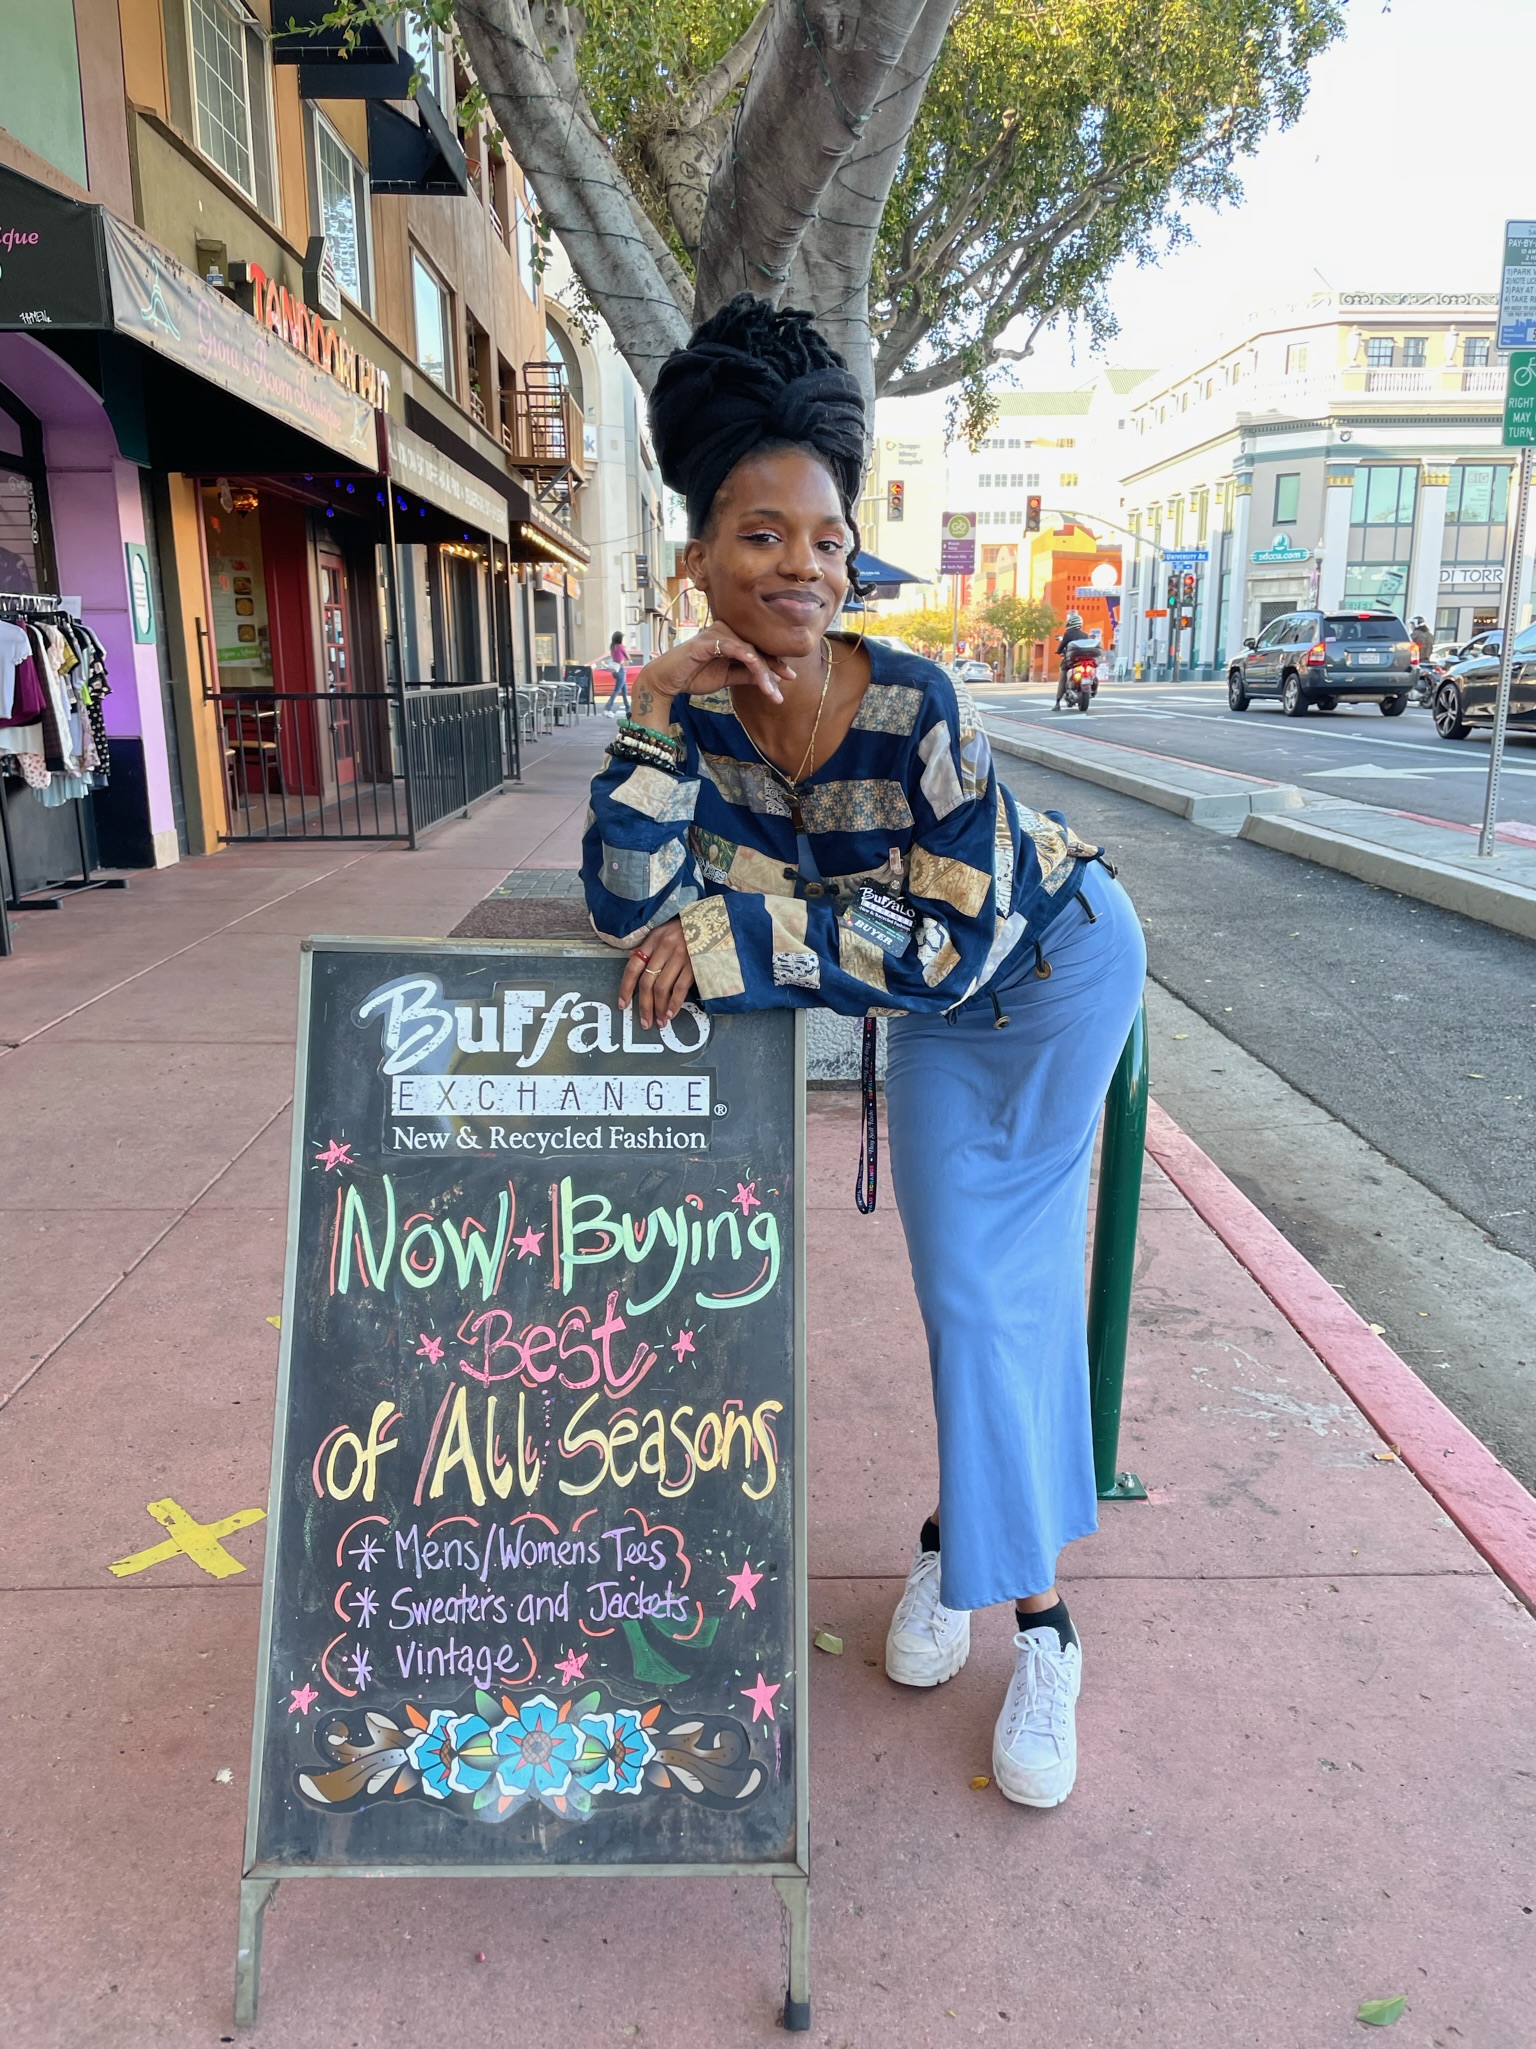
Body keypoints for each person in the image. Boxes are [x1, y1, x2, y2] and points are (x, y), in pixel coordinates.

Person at [581, 296, 1145, 1809]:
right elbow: (622, 910)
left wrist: (740, 939)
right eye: (763, 536)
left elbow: (949, 939)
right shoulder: (691, 724)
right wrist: (644, 718)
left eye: (826, 538)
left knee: (987, 1290)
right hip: (939, 1021)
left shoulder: (917, 698)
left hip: (1055, 970)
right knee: (975, 1292)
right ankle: (958, 1550)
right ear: (699, 552)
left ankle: (1043, 1631)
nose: (804, 568)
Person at [1053, 611, 1099, 709]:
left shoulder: (1068, 634)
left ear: (1070, 623)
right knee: (1094, 673)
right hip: (1085, 662)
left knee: (1063, 678)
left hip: (1072, 662)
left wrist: (1058, 651)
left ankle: (1057, 702)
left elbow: (1061, 646)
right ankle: (1093, 687)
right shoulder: (1085, 635)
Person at [605, 630, 632, 716]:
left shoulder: (612, 646)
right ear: (620, 639)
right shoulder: (621, 646)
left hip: (615, 670)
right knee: (617, 690)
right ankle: (608, 708)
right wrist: (626, 658)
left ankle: (628, 709)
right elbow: (628, 657)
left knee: (624, 691)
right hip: (621, 670)